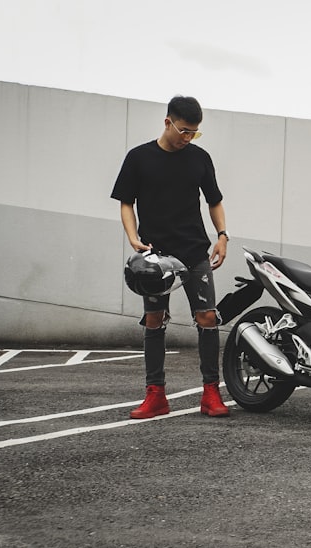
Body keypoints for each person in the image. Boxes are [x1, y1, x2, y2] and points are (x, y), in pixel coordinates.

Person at [111, 95, 231, 419]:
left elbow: (214, 201)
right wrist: (133, 237)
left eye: (194, 132)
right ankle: (156, 395)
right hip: (156, 257)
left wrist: (222, 236)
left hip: (193, 251)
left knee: (207, 318)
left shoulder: (200, 159)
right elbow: (125, 201)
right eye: (184, 130)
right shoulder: (139, 158)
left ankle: (211, 394)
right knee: (154, 321)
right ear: (167, 122)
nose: (188, 138)